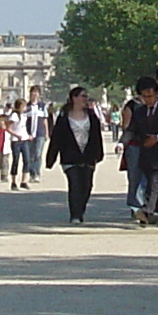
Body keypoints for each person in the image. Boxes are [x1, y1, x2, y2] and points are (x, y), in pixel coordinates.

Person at [46, 86, 106, 222]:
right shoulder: (64, 117)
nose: (85, 99)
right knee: (75, 184)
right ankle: (75, 214)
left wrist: (99, 154)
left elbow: (97, 136)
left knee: (87, 185)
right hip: (70, 156)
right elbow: (56, 139)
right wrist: (51, 158)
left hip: (88, 156)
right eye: (83, 96)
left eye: (86, 96)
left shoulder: (91, 115)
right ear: (74, 98)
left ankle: (80, 210)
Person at [125, 76, 158, 226]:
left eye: (150, 95)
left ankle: (147, 210)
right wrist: (122, 143)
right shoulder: (139, 112)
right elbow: (131, 129)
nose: (148, 99)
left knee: (154, 185)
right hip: (147, 156)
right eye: (144, 96)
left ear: (156, 93)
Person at [17, 89, 47, 188]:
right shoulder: (27, 106)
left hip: (40, 132)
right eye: (33, 92)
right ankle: (31, 172)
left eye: (36, 92)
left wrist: (47, 132)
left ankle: (36, 173)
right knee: (30, 154)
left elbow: (45, 120)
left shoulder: (42, 106)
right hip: (28, 133)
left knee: (38, 153)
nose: (34, 94)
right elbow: (23, 120)